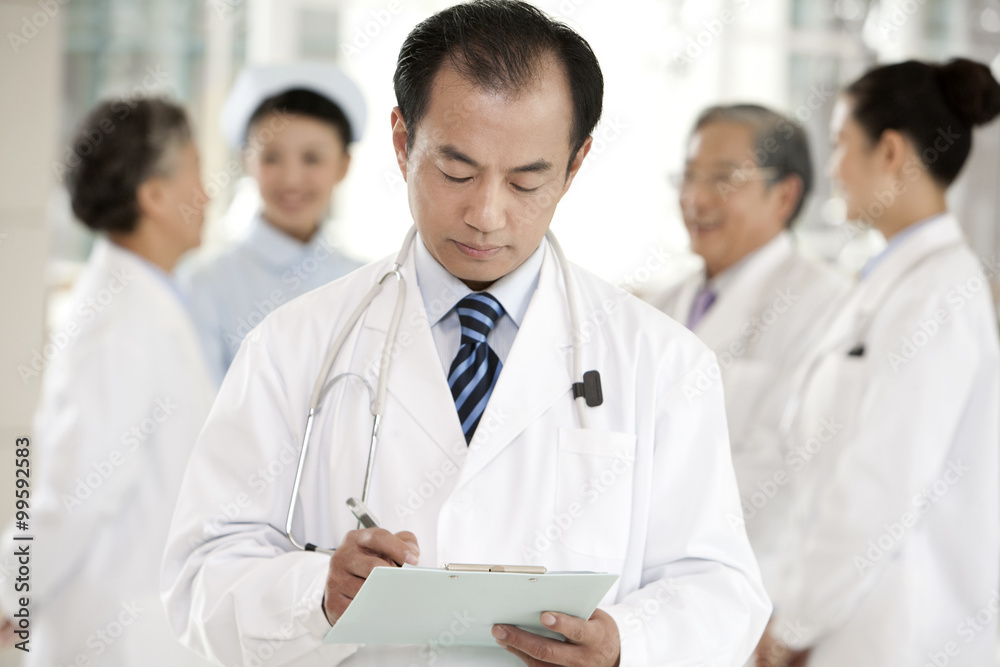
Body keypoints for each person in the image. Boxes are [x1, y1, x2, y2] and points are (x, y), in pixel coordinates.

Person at [161, 1, 771, 665]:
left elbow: (724, 589)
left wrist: (628, 641)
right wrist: (320, 595)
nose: (486, 213)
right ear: (402, 142)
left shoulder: (661, 362)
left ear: (575, 163)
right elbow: (200, 579)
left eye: (527, 179)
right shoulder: (293, 347)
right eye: (456, 170)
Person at [756, 58, 1000, 667]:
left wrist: (794, 626)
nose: (833, 169)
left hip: (898, 634)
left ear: (890, 152)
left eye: (841, 144)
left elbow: (879, 486)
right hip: (852, 622)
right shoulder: (895, 282)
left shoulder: (936, 293)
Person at [0, 99, 216, 665]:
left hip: (143, 623)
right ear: (153, 196)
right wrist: (10, 594)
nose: (209, 194)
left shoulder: (151, 301)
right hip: (111, 634)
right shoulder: (119, 321)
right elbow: (72, 495)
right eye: (195, 171)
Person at [647, 105, 848, 608]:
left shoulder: (828, 307)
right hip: (643, 593)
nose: (694, 199)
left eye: (722, 179)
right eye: (688, 176)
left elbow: (800, 480)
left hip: (748, 595)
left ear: (785, 194)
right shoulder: (659, 305)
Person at [180, 63, 367, 384]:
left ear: (344, 165)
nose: (292, 180)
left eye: (312, 159)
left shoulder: (368, 284)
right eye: (271, 158)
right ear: (245, 161)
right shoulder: (204, 284)